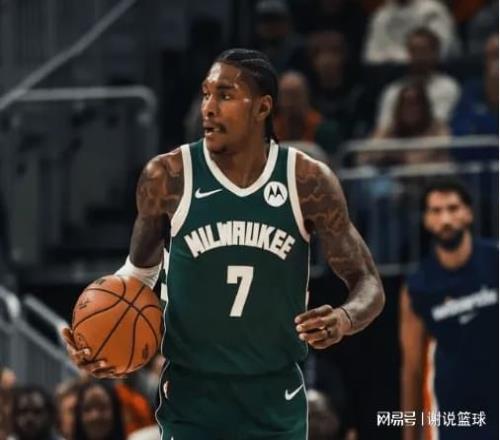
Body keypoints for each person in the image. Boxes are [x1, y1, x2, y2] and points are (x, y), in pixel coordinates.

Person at [63, 48, 385, 439]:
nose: (209, 107)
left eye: (225, 95)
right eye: (206, 94)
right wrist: (101, 340)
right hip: (192, 398)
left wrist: (345, 318)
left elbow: (368, 283)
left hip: (275, 397)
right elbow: (138, 275)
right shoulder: (167, 176)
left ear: (262, 107)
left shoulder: (307, 182)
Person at [400, 179, 498, 440]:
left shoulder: (495, 262)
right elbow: (412, 369)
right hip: (451, 415)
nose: (445, 219)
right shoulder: (417, 287)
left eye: (453, 208)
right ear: (426, 220)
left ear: (468, 213)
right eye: (436, 210)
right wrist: (410, 434)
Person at [375, 27, 461, 134]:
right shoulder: (393, 89)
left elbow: (439, 125)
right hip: (398, 141)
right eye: (414, 50)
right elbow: (383, 128)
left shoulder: (448, 86)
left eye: (423, 50)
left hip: (433, 141)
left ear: (436, 53)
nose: (418, 56)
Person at [363, 0, 459, 64]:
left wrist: (393, 58)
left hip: (433, 75)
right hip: (386, 75)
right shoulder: (381, 15)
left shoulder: (433, 10)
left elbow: (439, 51)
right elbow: (370, 56)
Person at [274, 71, 340, 156]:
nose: (290, 102)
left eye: (295, 96)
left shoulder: (323, 130)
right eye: (285, 96)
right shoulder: (270, 130)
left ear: (306, 96)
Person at [452, 33, 499, 136]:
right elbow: (460, 129)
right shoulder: (471, 89)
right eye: (494, 56)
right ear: (485, 60)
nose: (497, 62)